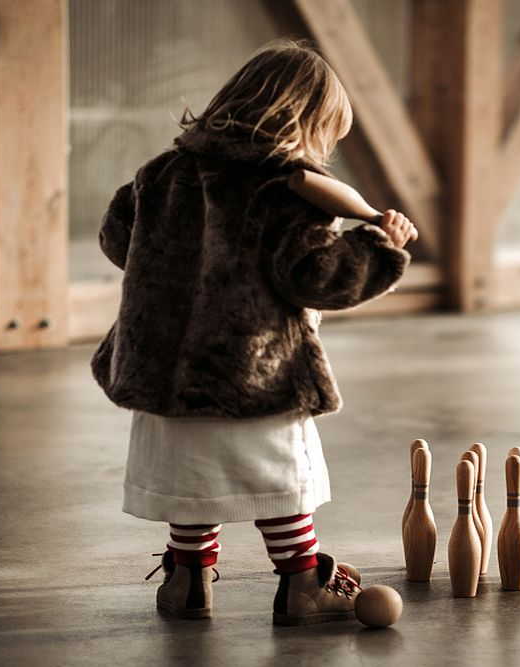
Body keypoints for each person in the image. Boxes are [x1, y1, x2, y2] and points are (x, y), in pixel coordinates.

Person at [91, 38, 417, 625]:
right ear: (303, 123)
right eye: (327, 137)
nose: (326, 153)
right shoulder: (285, 192)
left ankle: (187, 582)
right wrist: (377, 245)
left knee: (191, 479)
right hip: (251, 373)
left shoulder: (161, 173)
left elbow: (118, 240)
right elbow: (316, 277)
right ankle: (302, 584)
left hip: (161, 372)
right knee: (278, 481)